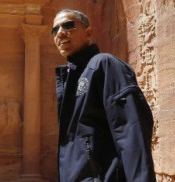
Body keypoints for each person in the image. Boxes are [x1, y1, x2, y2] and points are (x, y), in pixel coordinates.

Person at [52, 9, 156, 182]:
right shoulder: (72, 78)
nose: (61, 33)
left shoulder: (104, 65)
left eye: (68, 25)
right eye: (55, 30)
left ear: (88, 32)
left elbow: (131, 128)